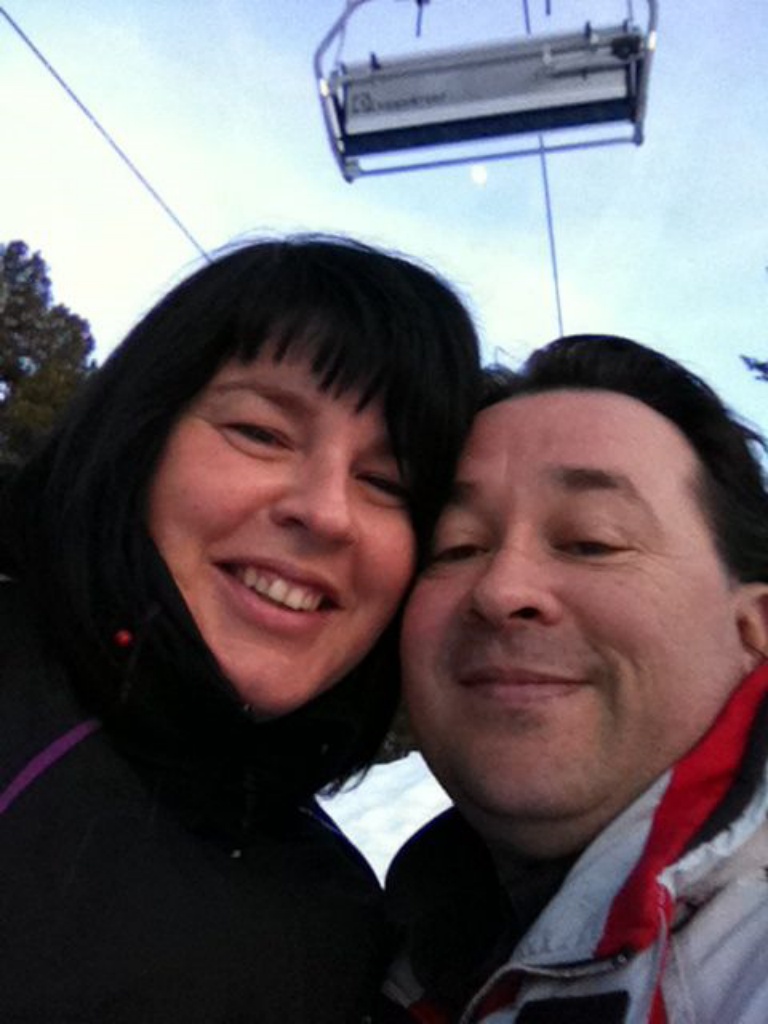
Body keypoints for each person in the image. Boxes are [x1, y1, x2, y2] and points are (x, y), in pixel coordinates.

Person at [0, 234, 483, 1023]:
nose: (326, 512)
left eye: (386, 481)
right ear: (139, 435)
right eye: (262, 434)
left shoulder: (331, 927)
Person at [382, 334, 768, 1023]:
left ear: (753, 630)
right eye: (456, 547)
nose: (501, 589)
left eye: (592, 541)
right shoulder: (360, 953)